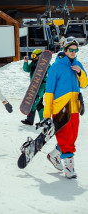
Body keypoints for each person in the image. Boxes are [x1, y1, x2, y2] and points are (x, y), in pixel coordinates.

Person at [44, 37, 88, 179]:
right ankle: (69, 169)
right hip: (60, 109)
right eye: (71, 50)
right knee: (65, 137)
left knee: (72, 137)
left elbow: (84, 84)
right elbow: (49, 92)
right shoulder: (56, 67)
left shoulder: (78, 64)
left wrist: (80, 72)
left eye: (76, 50)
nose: (74, 52)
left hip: (74, 107)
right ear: (65, 50)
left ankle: (54, 155)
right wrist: (46, 115)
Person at [21, 49, 48, 126]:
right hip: (34, 87)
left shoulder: (45, 64)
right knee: (39, 104)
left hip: (41, 87)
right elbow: (26, 69)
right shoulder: (33, 63)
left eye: (34, 56)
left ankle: (30, 120)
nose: (33, 58)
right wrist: (25, 62)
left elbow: (50, 69)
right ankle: (43, 121)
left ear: (40, 56)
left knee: (33, 102)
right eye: (32, 56)